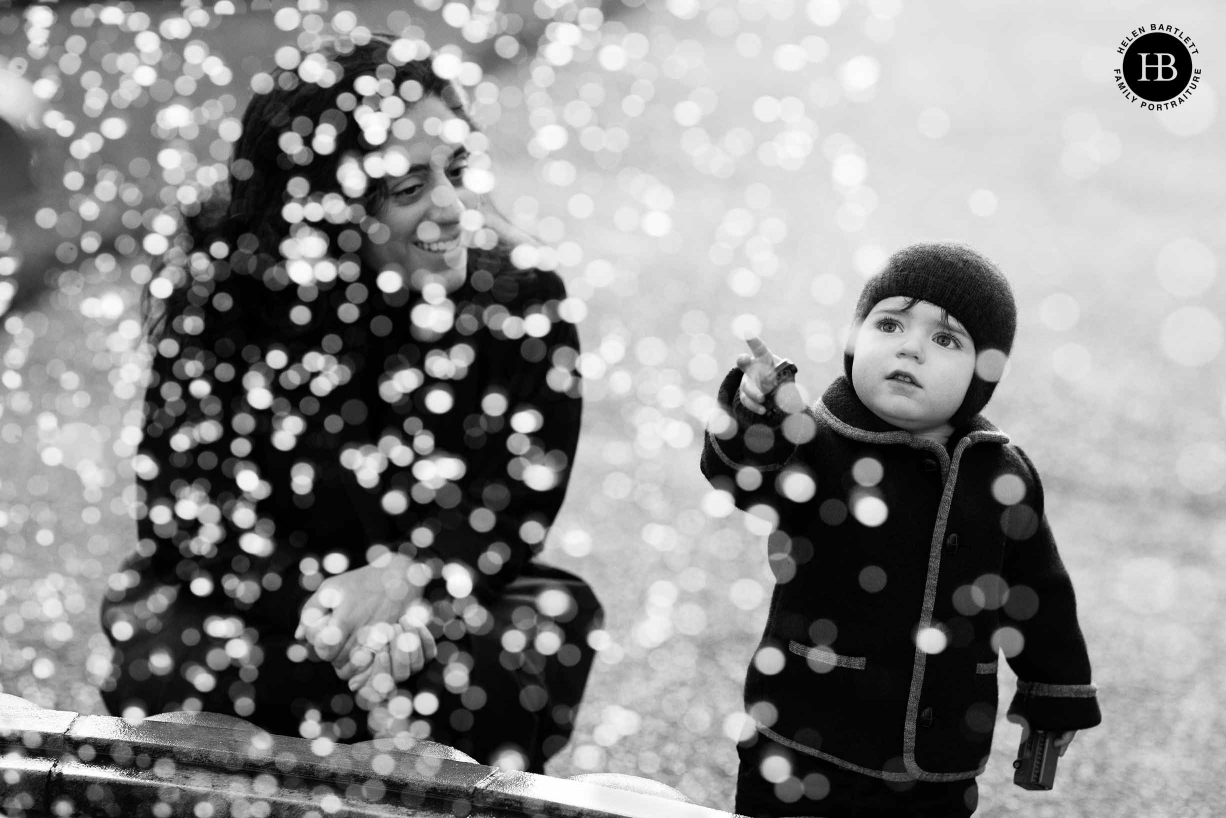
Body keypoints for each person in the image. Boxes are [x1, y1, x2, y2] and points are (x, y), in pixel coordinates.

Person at [100, 31, 601, 772]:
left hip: (446, 606)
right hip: (256, 603)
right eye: (407, 188)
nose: (453, 208)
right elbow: (181, 509)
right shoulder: (219, 298)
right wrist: (333, 615)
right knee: (173, 659)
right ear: (327, 208)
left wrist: (409, 582)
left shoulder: (524, 297)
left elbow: (515, 498)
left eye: (455, 168)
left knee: (521, 651)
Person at [700, 242, 1101, 817]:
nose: (910, 347)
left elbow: (1036, 593)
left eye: (946, 339)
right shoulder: (814, 444)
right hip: (805, 735)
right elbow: (742, 477)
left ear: (983, 374)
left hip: (939, 762)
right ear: (855, 340)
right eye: (889, 323)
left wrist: (1054, 693)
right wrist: (754, 415)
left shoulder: (1001, 475)